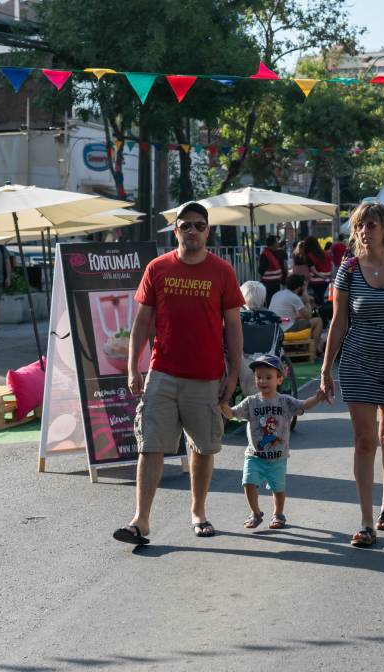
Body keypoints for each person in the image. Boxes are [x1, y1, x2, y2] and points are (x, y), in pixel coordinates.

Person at [113, 201, 244, 546]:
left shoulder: (222, 271)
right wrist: (132, 367)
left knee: (202, 448)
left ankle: (198, 511)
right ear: (176, 231)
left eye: (199, 225)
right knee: (150, 445)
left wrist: (233, 375)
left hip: (206, 376)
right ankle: (140, 521)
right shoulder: (157, 268)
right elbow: (142, 322)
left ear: (208, 230)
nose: (192, 231)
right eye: (185, 225)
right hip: (163, 372)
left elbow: (233, 325)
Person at [319, 202, 384, 548]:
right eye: (361, 225)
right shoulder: (348, 270)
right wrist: (325, 368)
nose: (366, 231)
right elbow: (339, 322)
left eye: (372, 225)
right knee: (365, 441)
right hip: (357, 361)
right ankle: (366, 521)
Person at [222, 354, 322, 530]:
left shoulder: (285, 401)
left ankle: (278, 514)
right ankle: (255, 512)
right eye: (259, 377)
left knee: (278, 488)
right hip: (254, 456)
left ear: (279, 379)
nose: (263, 381)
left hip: (278, 457)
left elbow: (303, 405)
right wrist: (222, 404)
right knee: (248, 483)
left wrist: (317, 398)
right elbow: (232, 413)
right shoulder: (251, 402)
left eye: (268, 377)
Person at [269, 273, 322, 344]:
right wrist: (307, 302)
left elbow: (288, 316)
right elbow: (308, 316)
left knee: (300, 318)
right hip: (285, 329)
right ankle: (316, 349)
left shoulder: (277, 294)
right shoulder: (294, 297)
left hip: (275, 326)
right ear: (299, 288)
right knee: (318, 321)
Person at [257, 236, 288, 304]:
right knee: (270, 300)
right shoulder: (265, 254)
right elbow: (261, 269)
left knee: (276, 300)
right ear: (273, 243)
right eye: (277, 242)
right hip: (269, 283)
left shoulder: (276, 252)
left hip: (276, 282)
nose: (278, 243)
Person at [304, 236, 332, 305]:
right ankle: (323, 310)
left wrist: (322, 277)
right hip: (326, 279)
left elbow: (314, 271)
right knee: (322, 296)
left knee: (317, 298)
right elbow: (331, 264)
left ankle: (320, 311)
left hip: (316, 280)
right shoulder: (325, 253)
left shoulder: (309, 255)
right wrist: (327, 277)